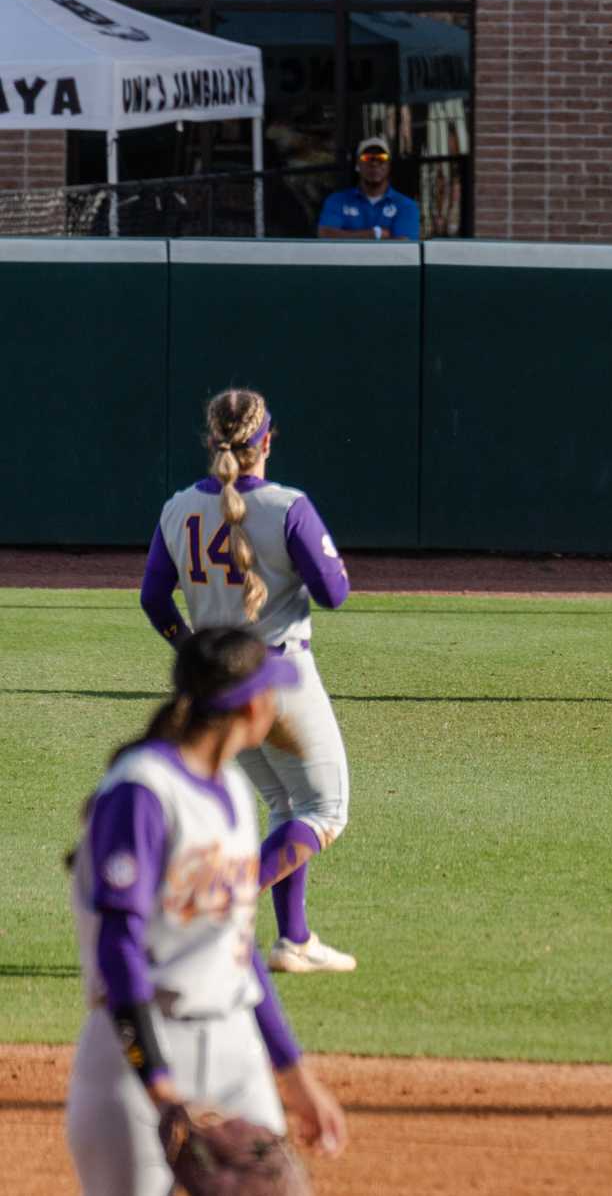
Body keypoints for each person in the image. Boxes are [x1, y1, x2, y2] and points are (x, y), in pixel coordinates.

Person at [65, 627, 348, 1195]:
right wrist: (160, 1086)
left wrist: (293, 1073)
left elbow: (237, 950)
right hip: (138, 1054)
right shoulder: (141, 792)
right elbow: (118, 946)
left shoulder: (236, 796)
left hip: (235, 1047)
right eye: (271, 689)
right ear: (250, 705)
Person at [140, 388, 358, 974]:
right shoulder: (288, 507)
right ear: (266, 440)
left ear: (211, 441)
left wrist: (194, 650)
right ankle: (202, 912)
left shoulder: (176, 507)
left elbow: (152, 597)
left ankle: (295, 940)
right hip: (278, 674)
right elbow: (335, 593)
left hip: (218, 685)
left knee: (286, 805)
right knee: (326, 811)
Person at [316, 137, 421, 241]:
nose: (374, 163)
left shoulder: (406, 205)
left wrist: (346, 235)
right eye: (367, 158)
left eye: (382, 158)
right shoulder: (337, 200)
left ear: (389, 165)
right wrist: (375, 234)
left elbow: (404, 245)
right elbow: (325, 234)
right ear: (357, 165)